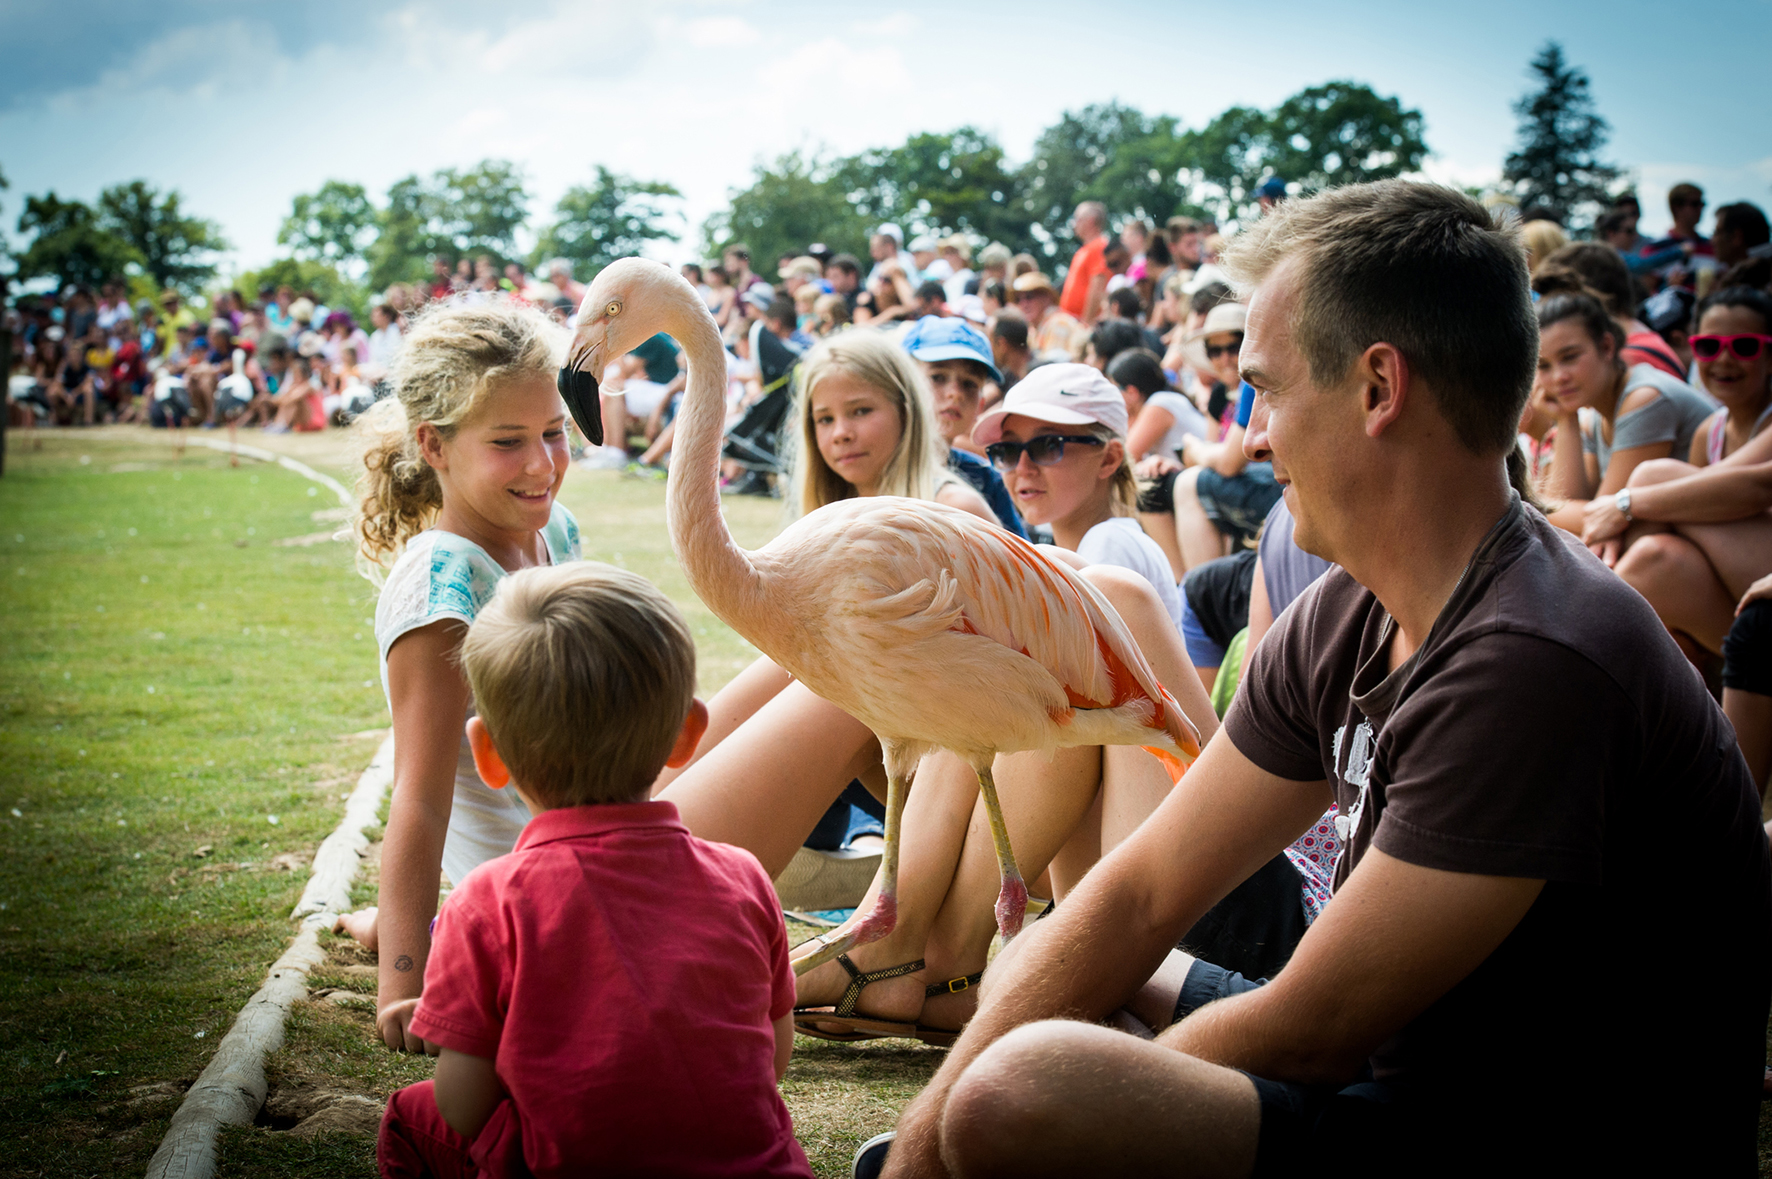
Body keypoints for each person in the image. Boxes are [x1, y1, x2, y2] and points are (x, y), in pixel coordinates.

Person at [878, 178, 1771, 1179]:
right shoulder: (1353, 608)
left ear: (1378, 388)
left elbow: (1313, 1028)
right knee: (1072, 975)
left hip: (1532, 1138)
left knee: (1027, 1086)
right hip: (1398, 1076)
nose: (1252, 433)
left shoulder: (1532, 657)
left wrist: (1083, 1107)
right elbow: (1132, 898)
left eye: (1269, 388)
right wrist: (928, 1148)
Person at [376, 562, 811, 1178]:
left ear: (488, 755)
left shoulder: (489, 901)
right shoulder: (743, 879)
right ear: (688, 734)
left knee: (411, 1116)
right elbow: (771, 1060)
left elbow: (464, 1103)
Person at [331, 297, 581, 1054]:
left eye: (553, 431)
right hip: (553, 885)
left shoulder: (551, 529)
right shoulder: (443, 591)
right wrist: (404, 986)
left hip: (602, 827)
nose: (542, 462)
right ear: (433, 445)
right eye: (509, 441)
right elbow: (421, 798)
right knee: (821, 705)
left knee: (808, 672)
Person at [1581, 287, 1772, 656]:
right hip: (1738, 605)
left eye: (1745, 346)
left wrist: (1626, 502)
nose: (1724, 360)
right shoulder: (1710, 432)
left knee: (1653, 479)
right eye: (1709, 347)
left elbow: (1756, 488)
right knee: (1656, 557)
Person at [1535, 289, 1716, 535]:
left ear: (1607, 346)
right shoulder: (1593, 414)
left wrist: (1540, 510)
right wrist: (1567, 419)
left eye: (1569, 357)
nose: (1559, 377)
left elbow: (1602, 523)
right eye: (1543, 366)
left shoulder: (1646, 399)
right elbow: (1565, 509)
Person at [900, 316, 1026, 536]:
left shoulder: (985, 479)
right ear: (902, 384)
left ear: (981, 405)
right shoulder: (873, 466)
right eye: (938, 377)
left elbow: (1021, 561)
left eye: (969, 384)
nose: (955, 393)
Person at [1113, 348, 1215, 582]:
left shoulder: (1161, 403)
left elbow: (1124, 458)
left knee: (1144, 486)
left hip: (1196, 480)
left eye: (1114, 389)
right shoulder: (1162, 401)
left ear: (1131, 392)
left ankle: (1177, 580)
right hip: (1187, 478)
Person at [1012, 272, 1084, 360]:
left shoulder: (1059, 323)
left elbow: (1053, 366)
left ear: (1046, 298)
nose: (1023, 304)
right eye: (1018, 299)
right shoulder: (1034, 329)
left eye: (1029, 297)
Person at [1059, 201, 1110, 325]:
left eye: (1077, 219)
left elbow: (1097, 286)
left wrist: (1086, 323)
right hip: (1073, 322)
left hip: (1083, 324)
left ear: (1091, 221)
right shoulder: (1085, 250)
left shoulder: (1099, 246)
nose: (1074, 223)